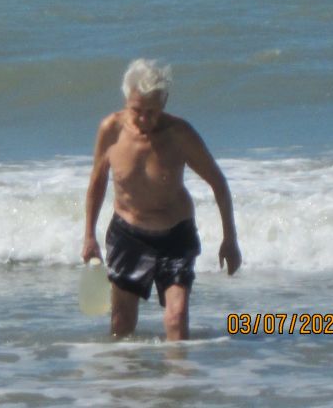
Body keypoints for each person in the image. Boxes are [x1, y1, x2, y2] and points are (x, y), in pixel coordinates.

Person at [81, 58, 241, 341]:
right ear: (126, 100)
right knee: (121, 324)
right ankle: (127, 371)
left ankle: (178, 370)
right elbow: (97, 182)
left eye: (152, 112)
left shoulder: (180, 134)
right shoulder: (111, 130)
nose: (144, 119)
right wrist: (89, 236)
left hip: (175, 237)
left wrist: (230, 239)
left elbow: (218, 183)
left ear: (164, 102)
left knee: (176, 318)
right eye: (137, 111)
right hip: (127, 235)